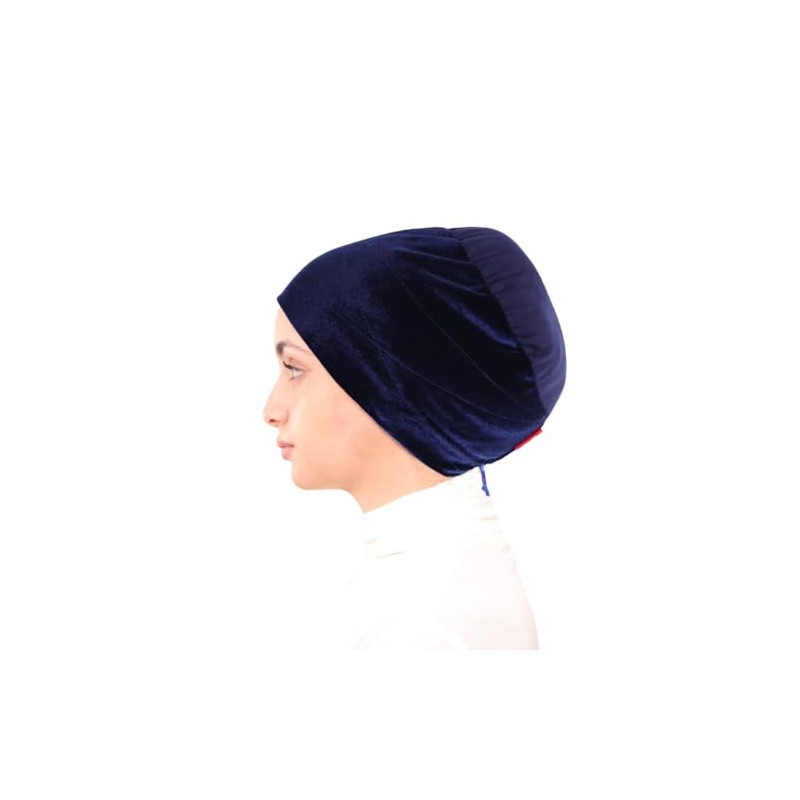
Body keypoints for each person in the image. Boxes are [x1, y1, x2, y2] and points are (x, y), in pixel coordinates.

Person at [263, 227, 566, 649]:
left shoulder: (429, 627)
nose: (271, 411)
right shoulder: (422, 582)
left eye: (295, 369)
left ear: (393, 384)